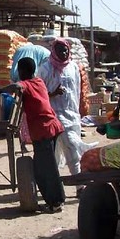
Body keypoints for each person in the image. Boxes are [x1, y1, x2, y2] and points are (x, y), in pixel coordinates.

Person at [0, 57, 65, 212]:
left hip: (43, 130)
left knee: (46, 169)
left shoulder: (26, 84)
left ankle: (56, 202)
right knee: (46, 167)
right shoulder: (39, 82)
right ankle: (54, 200)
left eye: (19, 70)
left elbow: (16, 86)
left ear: (22, 71)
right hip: (51, 127)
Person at [38, 39, 94, 186]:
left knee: (67, 150)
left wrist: (80, 111)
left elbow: (77, 91)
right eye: (60, 50)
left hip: (72, 115)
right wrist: (53, 93)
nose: (63, 53)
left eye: (65, 50)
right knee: (70, 149)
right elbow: (39, 93)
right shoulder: (45, 69)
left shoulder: (73, 67)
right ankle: (76, 185)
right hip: (54, 116)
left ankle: (68, 186)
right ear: (54, 51)